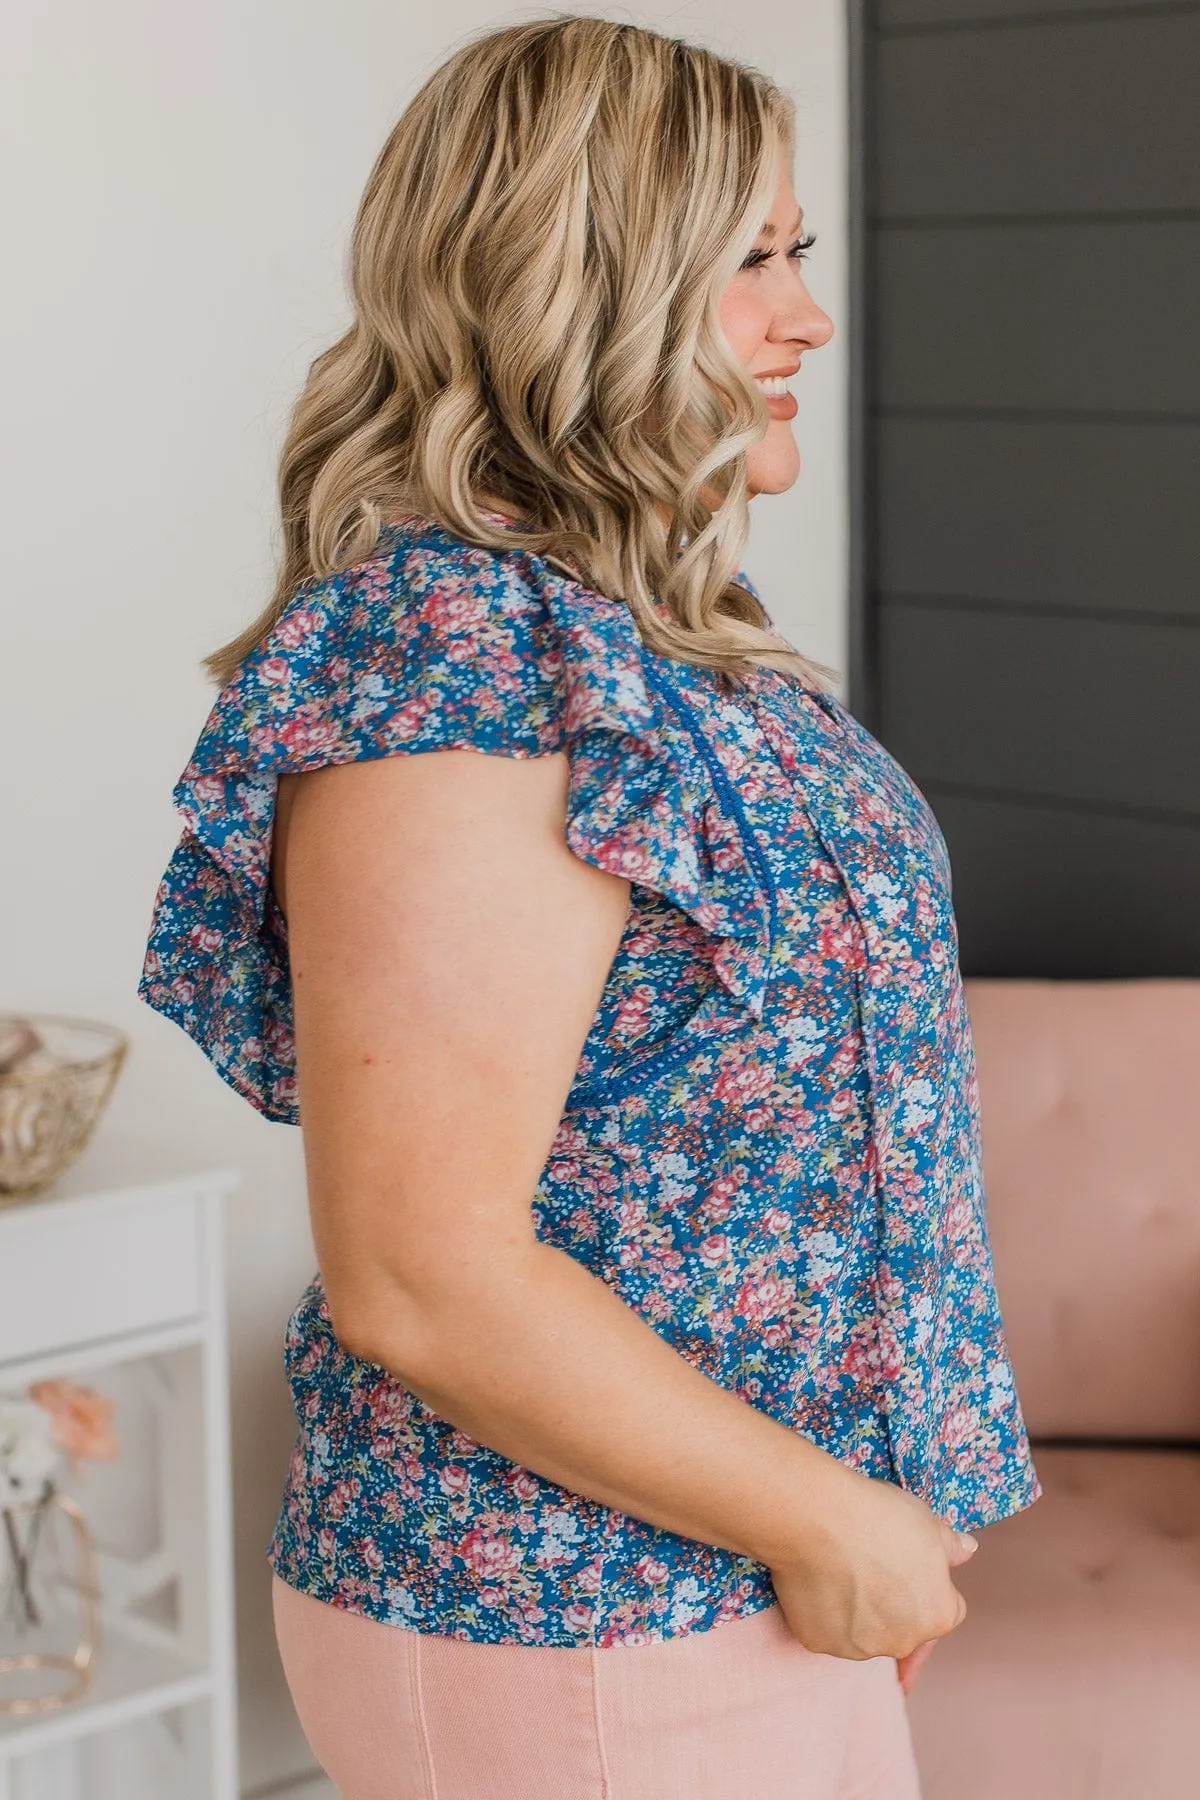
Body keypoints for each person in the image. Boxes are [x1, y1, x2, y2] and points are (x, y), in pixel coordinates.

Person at [137, 15, 1042, 1798]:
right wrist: (823, 1517)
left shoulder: (645, 634)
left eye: (802, 254)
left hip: (732, 1589)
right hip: (587, 1628)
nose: (809, 317)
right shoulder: (462, 658)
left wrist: (861, 1515)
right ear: (582, 283)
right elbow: (423, 1273)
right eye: (751, 263)